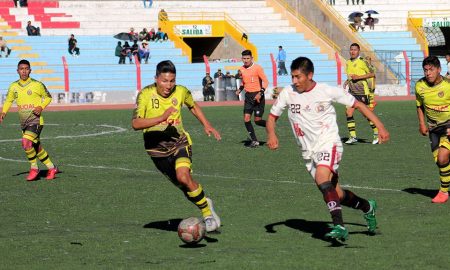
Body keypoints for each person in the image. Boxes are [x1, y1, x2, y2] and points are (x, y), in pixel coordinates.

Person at [266, 56, 389, 241]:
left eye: (298, 77)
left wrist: (380, 126)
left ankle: (339, 226)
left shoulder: (326, 90)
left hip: (329, 143)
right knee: (336, 194)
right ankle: (367, 207)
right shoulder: (288, 93)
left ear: (310, 75)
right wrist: (271, 134)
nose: (294, 81)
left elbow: (358, 104)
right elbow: (272, 117)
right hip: (308, 152)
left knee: (322, 177)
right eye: (292, 77)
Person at [131, 60, 221, 232]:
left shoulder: (180, 91)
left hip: (179, 142)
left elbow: (193, 106)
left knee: (183, 177)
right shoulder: (145, 94)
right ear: (156, 79)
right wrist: (160, 118)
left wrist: (206, 124)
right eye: (164, 81)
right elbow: (135, 123)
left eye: (172, 80)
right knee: (184, 187)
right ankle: (205, 201)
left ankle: (207, 214)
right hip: (156, 150)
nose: (169, 85)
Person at [0, 59, 59, 181]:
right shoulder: (13, 86)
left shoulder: (37, 84)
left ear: (30, 70)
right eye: (22, 69)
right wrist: (3, 112)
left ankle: (34, 168)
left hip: (36, 121)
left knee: (26, 142)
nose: (24, 71)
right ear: (17, 71)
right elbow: (9, 100)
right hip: (24, 122)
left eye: (26, 69)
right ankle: (52, 167)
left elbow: (48, 97)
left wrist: (41, 106)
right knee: (36, 148)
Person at [415, 56, 450, 203]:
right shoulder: (420, 86)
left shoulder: (447, 85)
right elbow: (419, 106)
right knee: (440, 161)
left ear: (439, 70)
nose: (428, 73)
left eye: (431, 69)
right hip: (433, 128)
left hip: (448, 125)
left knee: (443, 158)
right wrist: (422, 123)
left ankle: (443, 192)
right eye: (426, 70)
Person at [343, 43, 378, 144]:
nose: (352, 51)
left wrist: (358, 77)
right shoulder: (348, 62)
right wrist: (347, 81)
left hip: (362, 92)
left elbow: (372, 74)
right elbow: (351, 75)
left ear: (359, 51)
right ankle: (353, 136)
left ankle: (376, 133)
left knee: (366, 114)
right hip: (352, 92)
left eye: (355, 50)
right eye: (351, 49)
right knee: (348, 112)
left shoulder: (362, 61)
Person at [235, 49, 269, 148]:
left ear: (252, 58)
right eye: (244, 58)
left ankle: (270, 125)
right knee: (246, 119)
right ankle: (255, 140)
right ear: (242, 59)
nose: (246, 60)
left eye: (248, 58)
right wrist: (240, 89)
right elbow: (244, 82)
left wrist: (260, 93)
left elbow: (266, 82)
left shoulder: (258, 68)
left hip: (258, 96)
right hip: (248, 97)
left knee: (257, 121)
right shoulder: (241, 69)